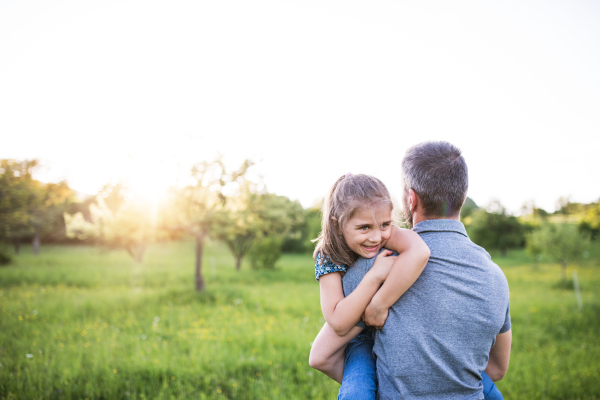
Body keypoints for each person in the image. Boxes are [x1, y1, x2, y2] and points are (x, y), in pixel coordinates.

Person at [313, 141, 511, 400]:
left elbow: (321, 356)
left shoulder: (378, 264)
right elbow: (496, 369)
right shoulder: (496, 277)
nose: (375, 236)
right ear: (462, 195)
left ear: (410, 198)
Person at [308, 173, 431, 400]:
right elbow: (337, 321)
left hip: (400, 330)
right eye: (364, 228)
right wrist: (374, 276)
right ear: (337, 224)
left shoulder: (385, 234)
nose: (376, 237)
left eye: (385, 224)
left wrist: (380, 303)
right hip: (362, 341)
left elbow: (420, 250)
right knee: (356, 393)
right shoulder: (328, 255)